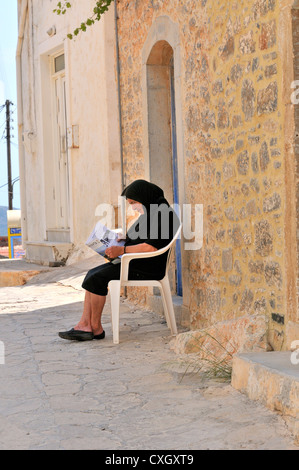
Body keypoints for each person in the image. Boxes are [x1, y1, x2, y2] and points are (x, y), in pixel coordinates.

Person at [58, 179, 180, 342]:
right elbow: (141, 238)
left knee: (97, 277)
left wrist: (122, 249)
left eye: (134, 202)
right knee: (92, 274)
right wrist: (123, 239)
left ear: (145, 197)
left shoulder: (164, 215)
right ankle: (85, 324)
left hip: (147, 267)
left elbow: (151, 247)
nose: (133, 207)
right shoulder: (151, 213)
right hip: (135, 262)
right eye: (131, 203)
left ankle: (94, 327)